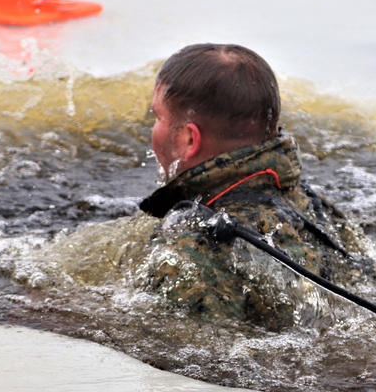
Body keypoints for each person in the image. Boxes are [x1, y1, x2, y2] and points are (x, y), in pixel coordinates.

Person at [134, 43, 364, 329]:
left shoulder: (188, 250)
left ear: (189, 140)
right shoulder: (314, 205)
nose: (152, 129)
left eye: (157, 117)